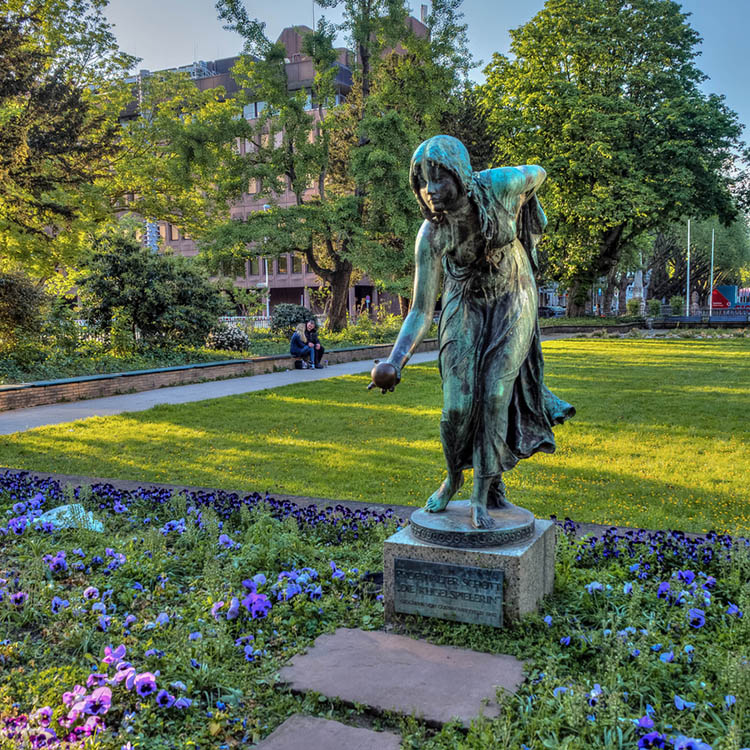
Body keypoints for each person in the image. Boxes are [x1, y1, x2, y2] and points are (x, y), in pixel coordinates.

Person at [369, 135, 574, 529]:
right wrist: (396, 360)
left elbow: (539, 173)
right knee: (456, 407)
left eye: (439, 179)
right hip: (464, 300)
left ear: (461, 175)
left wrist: (528, 206)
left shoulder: (500, 185)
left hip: (514, 292)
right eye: (422, 182)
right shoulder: (431, 235)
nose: (430, 191)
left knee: (497, 392)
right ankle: (454, 477)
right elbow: (419, 309)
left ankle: (482, 494)